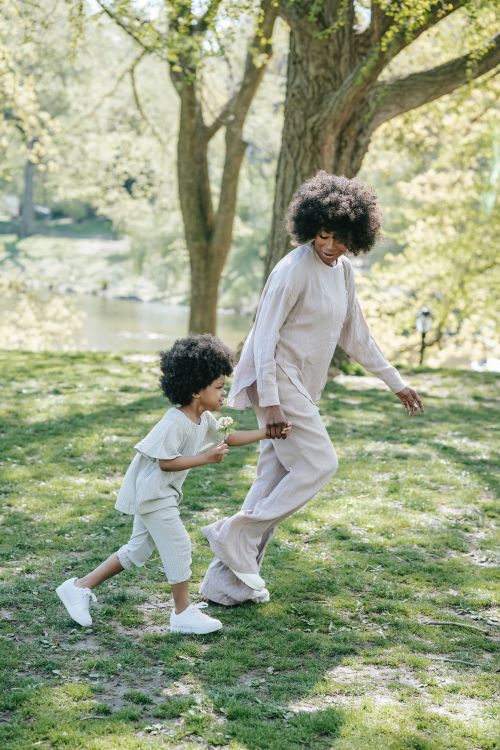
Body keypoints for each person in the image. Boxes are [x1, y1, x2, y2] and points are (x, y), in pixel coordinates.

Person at [200, 171, 424, 606]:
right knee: (321, 464)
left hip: (301, 386)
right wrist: (272, 401)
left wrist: (395, 382)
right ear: (310, 228)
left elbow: (355, 334)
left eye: (341, 239)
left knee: (273, 479)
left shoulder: (342, 272)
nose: (331, 246)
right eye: (324, 235)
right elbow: (263, 338)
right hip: (277, 382)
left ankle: (225, 586)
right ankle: (233, 533)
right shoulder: (292, 269)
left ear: (356, 238)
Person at [56, 335, 290, 635]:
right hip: (154, 495)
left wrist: (267, 433)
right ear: (195, 390)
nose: (223, 393)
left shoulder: (202, 419)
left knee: (137, 550)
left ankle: (78, 587)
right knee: (179, 546)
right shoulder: (174, 421)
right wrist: (205, 459)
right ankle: (182, 613)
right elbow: (165, 462)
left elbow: (228, 438)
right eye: (218, 387)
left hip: (160, 494)